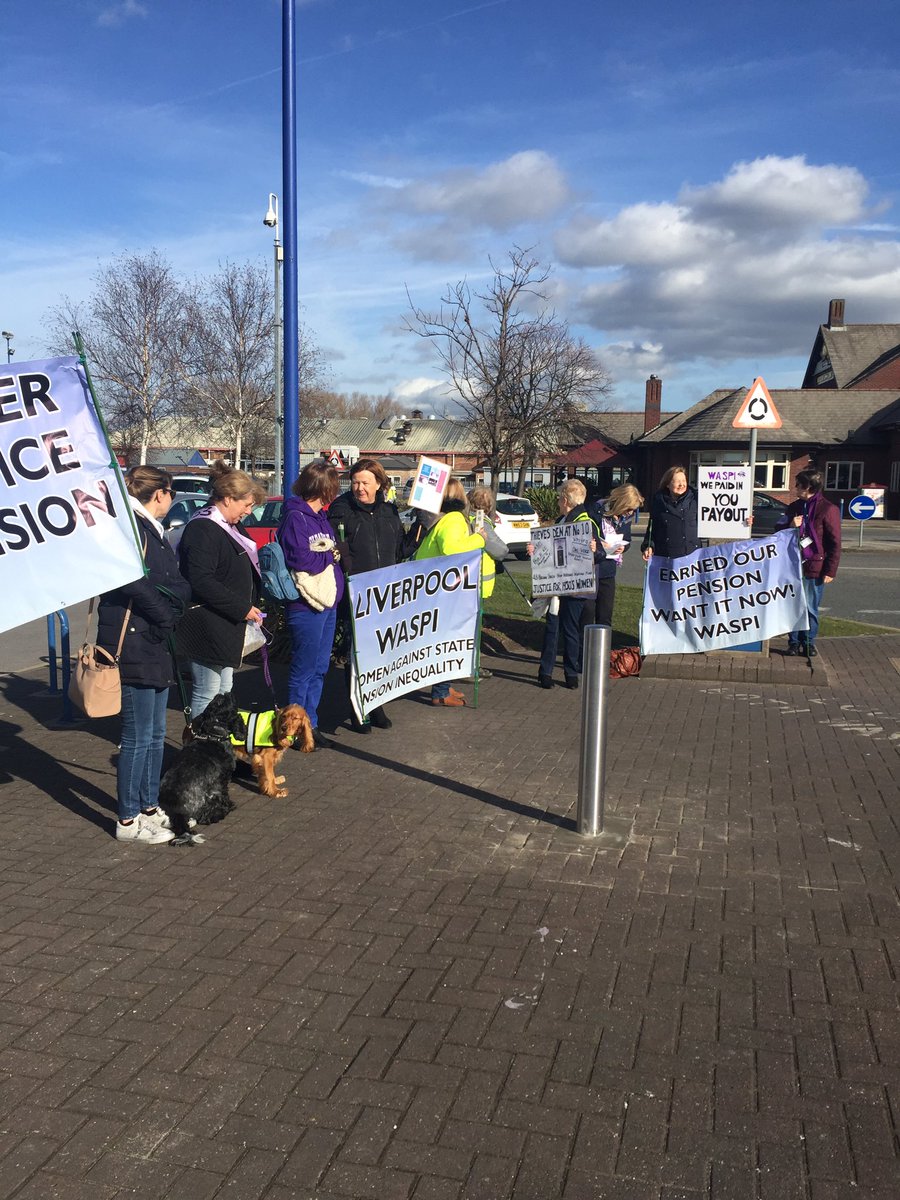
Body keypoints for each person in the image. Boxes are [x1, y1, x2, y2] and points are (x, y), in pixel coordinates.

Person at [97, 467, 191, 844]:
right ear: (161, 493)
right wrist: (165, 611)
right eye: (172, 494)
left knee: (154, 734)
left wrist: (175, 602)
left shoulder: (152, 528)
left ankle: (148, 807)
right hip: (134, 640)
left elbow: (175, 581)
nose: (172, 502)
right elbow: (130, 578)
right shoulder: (132, 527)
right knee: (136, 736)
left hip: (154, 640)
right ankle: (126, 819)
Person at [176, 462, 266, 719]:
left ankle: (220, 746)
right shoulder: (203, 527)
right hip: (207, 623)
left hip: (227, 623)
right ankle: (201, 749)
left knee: (224, 691)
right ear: (227, 499)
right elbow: (200, 579)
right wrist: (242, 607)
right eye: (246, 505)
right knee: (208, 691)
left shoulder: (229, 525)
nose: (249, 512)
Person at [328, 457, 410, 733]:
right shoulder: (342, 510)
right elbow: (338, 549)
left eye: (365, 482)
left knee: (381, 651)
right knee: (358, 653)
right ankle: (357, 709)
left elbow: (401, 548)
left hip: (386, 592)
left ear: (379, 484)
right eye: (355, 482)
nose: (359, 488)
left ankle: (376, 703)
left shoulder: (390, 512)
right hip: (358, 593)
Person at [278, 461, 345, 746]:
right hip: (306, 605)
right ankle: (291, 728)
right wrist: (329, 557)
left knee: (319, 667)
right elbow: (302, 559)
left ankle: (310, 722)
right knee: (304, 669)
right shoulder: (296, 518)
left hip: (327, 602)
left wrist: (331, 554)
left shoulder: (321, 518)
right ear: (325, 489)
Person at [414, 478, 486, 707]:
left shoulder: (442, 518)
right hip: (441, 592)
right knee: (445, 640)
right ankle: (441, 692)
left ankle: (443, 686)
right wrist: (479, 539)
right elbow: (451, 548)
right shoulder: (454, 519)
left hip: (431, 586)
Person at [535, 479, 600, 690]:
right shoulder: (563, 520)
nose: (557, 502)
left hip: (573, 587)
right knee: (558, 628)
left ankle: (566, 672)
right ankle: (552, 673)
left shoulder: (586, 522)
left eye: (559, 498)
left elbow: (600, 553)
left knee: (565, 629)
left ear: (565, 499)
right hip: (561, 585)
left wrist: (594, 550)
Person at [776, 468, 841, 657]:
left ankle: (809, 642)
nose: (795, 487)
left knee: (810, 607)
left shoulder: (828, 509)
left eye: (798, 484)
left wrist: (830, 570)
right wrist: (789, 525)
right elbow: (778, 528)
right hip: (793, 565)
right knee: (792, 605)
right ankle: (793, 642)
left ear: (808, 487)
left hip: (814, 566)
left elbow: (835, 542)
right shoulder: (794, 506)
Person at [466, 486, 508, 680]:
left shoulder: (466, 519)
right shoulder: (482, 523)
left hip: (468, 582)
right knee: (473, 629)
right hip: (477, 584)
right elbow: (500, 550)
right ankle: (473, 666)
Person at [590, 484, 643, 627]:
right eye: (629, 509)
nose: (630, 513)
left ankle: (603, 647)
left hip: (609, 569)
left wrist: (623, 547)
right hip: (592, 568)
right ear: (621, 503)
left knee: (605, 614)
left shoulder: (625, 518)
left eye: (633, 510)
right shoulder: (596, 510)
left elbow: (628, 539)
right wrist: (600, 545)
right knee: (587, 614)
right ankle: (584, 647)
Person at [641, 466, 699, 561]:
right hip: (665, 556)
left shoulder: (696, 500)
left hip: (692, 556)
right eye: (677, 481)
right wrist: (648, 546)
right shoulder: (658, 501)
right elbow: (652, 528)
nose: (681, 484)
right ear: (667, 484)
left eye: (684, 480)